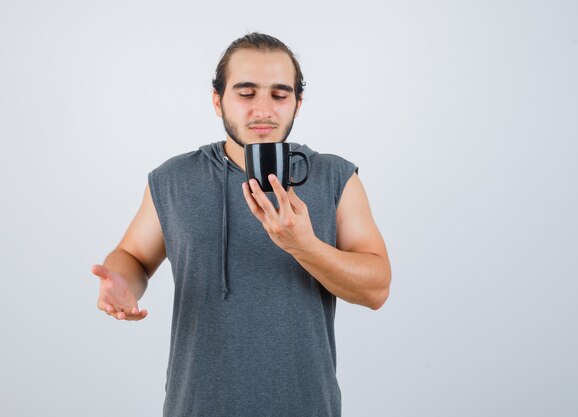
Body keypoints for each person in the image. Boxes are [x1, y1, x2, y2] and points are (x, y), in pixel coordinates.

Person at [91, 32, 391, 417]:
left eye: (279, 95)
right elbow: (132, 255)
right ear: (218, 101)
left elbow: (377, 288)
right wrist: (120, 282)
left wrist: (303, 244)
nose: (263, 110)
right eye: (246, 93)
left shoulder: (335, 177)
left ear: (298, 103)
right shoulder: (174, 179)